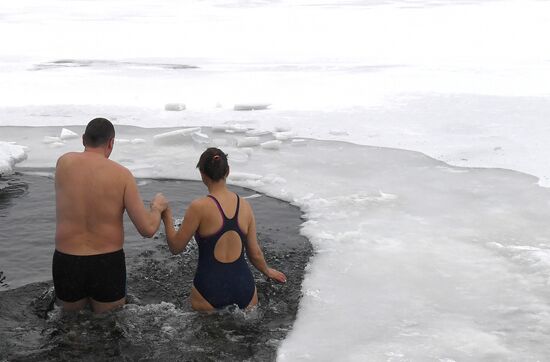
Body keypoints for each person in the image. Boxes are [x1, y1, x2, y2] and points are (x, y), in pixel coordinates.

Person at [53, 118, 168, 313]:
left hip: (67, 261)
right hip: (106, 264)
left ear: (83, 139)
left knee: (70, 329)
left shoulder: (64, 163)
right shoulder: (122, 175)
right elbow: (147, 229)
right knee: (109, 327)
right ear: (111, 143)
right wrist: (157, 208)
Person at [161, 147, 286, 311]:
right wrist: (267, 271)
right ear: (228, 171)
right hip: (245, 289)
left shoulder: (199, 207)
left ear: (202, 174)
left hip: (208, 290)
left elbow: (176, 247)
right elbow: (254, 253)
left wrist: (166, 216)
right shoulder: (245, 206)